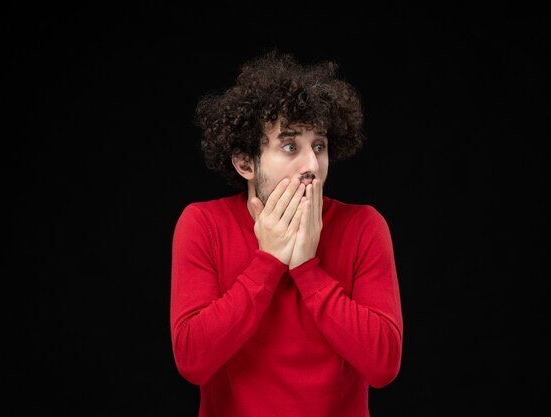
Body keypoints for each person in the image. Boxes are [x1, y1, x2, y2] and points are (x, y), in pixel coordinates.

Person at [170, 50, 404, 417]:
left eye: (319, 146)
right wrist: (269, 261)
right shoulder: (202, 223)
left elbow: (384, 365)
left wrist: (307, 269)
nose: (312, 165)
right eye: (290, 146)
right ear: (245, 162)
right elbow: (191, 360)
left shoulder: (364, 226)